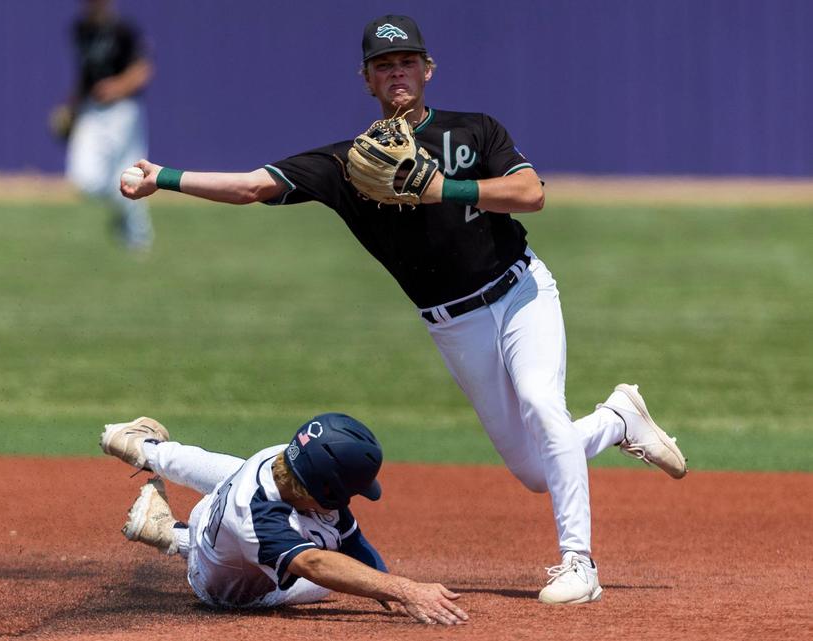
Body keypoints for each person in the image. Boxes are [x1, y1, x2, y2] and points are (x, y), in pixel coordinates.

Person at [118, 14, 688, 605]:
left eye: (407, 62)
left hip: (522, 293)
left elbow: (531, 193)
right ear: (366, 78)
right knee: (537, 470)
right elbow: (254, 185)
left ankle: (579, 564)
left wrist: (441, 187)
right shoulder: (345, 165)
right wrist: (166, 177)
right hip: (454, 323)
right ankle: (619, 419)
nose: (397, 73)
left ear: (428, 69)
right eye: (384, 65)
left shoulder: (474, 131)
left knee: (545, 405)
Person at [100, 413, 469, 625]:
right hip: (216, 580)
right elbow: (316, 562)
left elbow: (352, 534)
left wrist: (388, 585)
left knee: (239, 470)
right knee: (331, 571)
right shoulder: (259, 521)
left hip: (223, 514)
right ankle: (169, 534)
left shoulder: (284, 457)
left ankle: (144, 447)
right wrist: (400, 589)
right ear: (323, 486)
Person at [53, 0, 153, 250]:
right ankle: (123, 213)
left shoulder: (123, 30)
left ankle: (138, 236)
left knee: (129, 172)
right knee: (86, 179)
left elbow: (143, 70)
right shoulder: (81, 30)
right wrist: (71, 106)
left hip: (122, 109)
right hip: (91, 109)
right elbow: (85, 74)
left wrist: (117, 87)